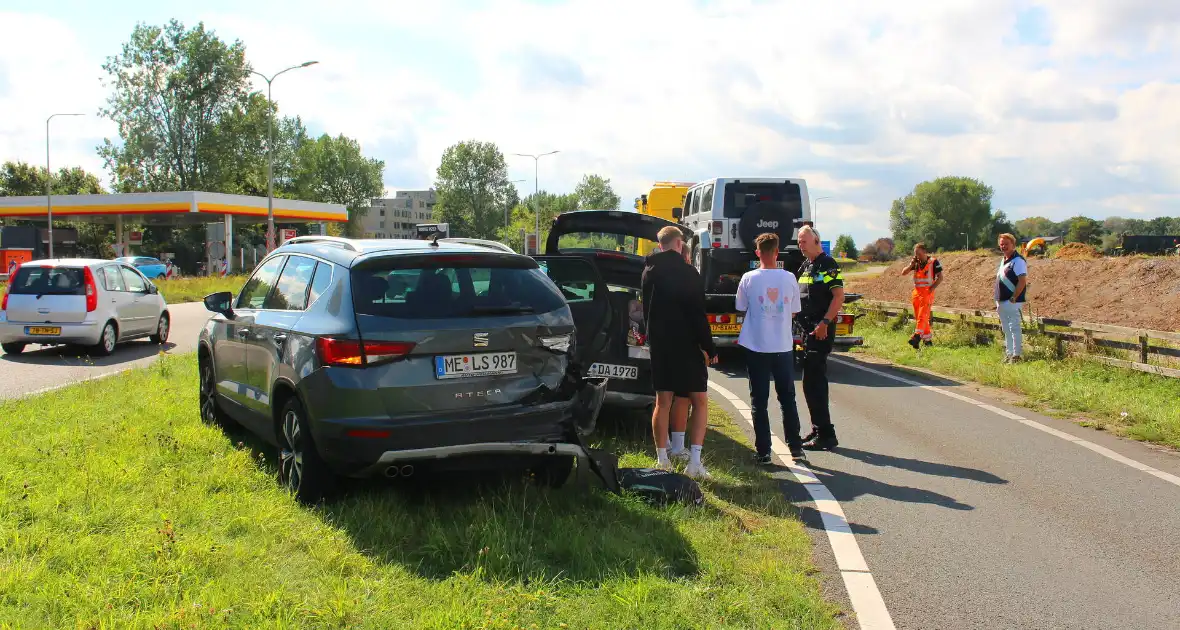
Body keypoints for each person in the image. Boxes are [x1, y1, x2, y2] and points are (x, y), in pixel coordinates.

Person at [641, 226, 718, 478]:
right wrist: (709, 346)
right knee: (699, 400)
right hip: (686, 345)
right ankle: (694, 462)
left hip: (661, 345)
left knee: (662, 402)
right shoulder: (688, 273)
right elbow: (697, 313)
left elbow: (646, 311)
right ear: (678, 244)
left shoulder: (648, 271)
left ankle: (662, 459)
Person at [736, 232, 804, 463]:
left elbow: (741, 306)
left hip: (756, 345)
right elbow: (794, 310)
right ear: (777, 252)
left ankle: (764, 451)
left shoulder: (748, 278)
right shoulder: (789, 278)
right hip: (783, 346)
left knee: (759, 401)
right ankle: (796, 448)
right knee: (787, 398)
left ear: (757, 253)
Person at [796, 225, 844, 451]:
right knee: (808, 383)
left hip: (820, 330)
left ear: (816, 241)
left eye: (804, 241)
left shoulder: (827, 264)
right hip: (806, 332)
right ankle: (817, 429)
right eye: (798, 241)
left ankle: (826, 434)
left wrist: (825, 322)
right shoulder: (806, 266)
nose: (800, 245)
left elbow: (838, 296)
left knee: (815, 382)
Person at [898, 242, 942, 349]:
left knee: (922, 315)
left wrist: (931, 289)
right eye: (916, 254)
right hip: (916, 292)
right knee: (919, 317)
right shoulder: (916, 263)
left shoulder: (933, 262)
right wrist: (911, 264)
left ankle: (916, 336)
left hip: (927, 292)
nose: (917, 256)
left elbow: (940, 277)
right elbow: (903, 273)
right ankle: (927, 341)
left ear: (925, 252)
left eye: (919, 253)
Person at [996, 233, 1029, 363]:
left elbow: (1022, 281)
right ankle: (1009, 353)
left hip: (1012, 301)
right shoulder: (1004, 260)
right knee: (1006, 328)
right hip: (1002, 300)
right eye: (1001, 244)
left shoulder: (1018, 261)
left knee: (1014, 327)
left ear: (1013, 245)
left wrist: (1014, 297)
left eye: (1006, 244)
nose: (1003, 246)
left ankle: (1016, 355)